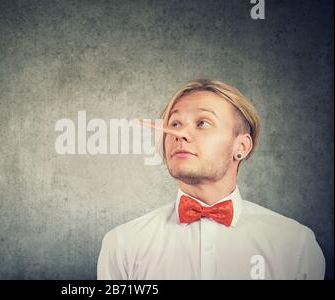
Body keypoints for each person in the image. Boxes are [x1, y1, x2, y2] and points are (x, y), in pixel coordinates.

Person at [97, 78, 325, 280]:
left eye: (202, 123)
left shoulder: (296, 246)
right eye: (174, 124)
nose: (180, 134)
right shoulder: (122, 245)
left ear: (241, 147)